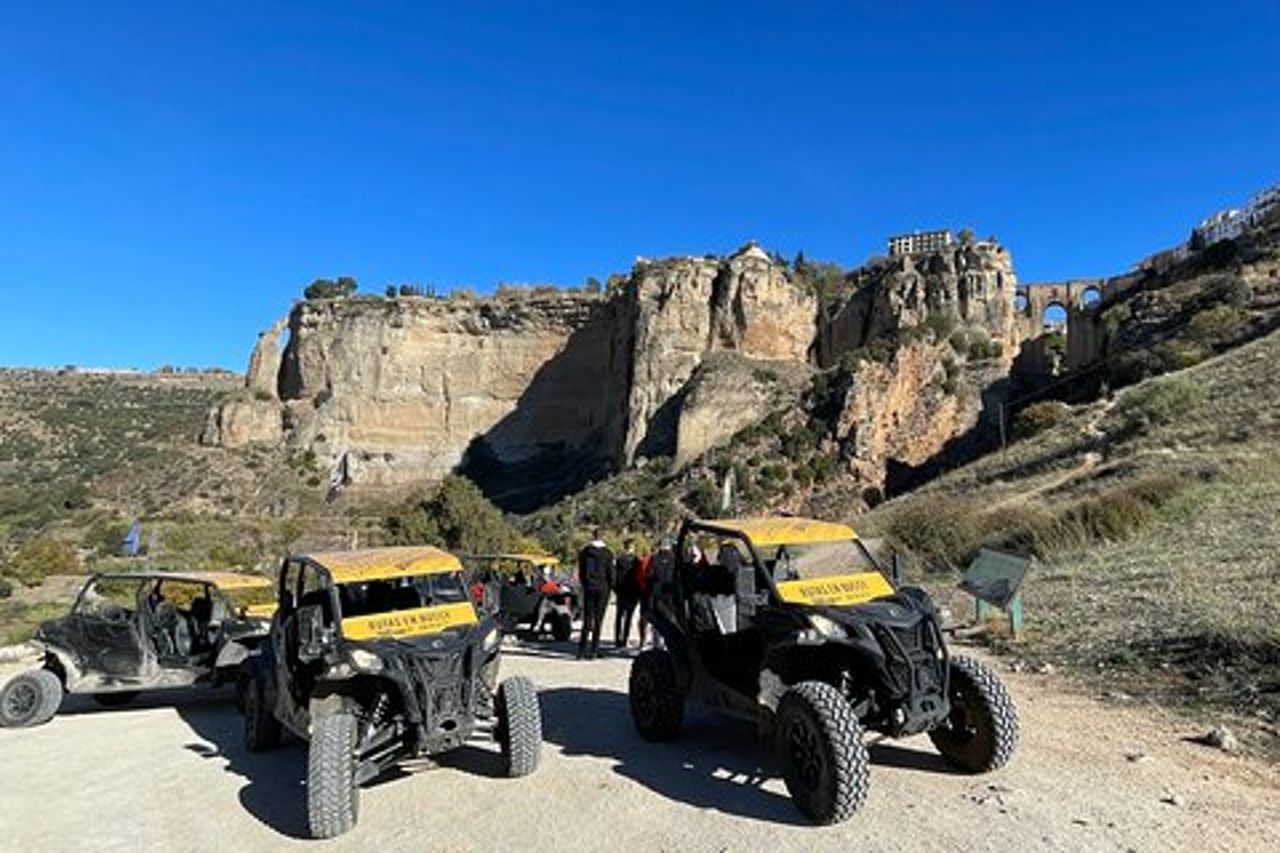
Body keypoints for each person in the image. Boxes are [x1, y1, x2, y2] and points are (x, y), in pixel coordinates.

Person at [577, 530, 614, 660]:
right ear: (603, 537)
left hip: (589, 587)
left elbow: (581, 572)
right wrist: (610, 587)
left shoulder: (584, 552)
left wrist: (585, 584)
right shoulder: (608, 553)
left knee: (587, 620)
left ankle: (581, 651)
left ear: (592, 536)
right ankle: (594, 650)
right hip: (602, 588)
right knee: (599, 620)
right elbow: (610, 573)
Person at [613, 540, 641, 648]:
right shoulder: (636, 561)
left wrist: (615, 589)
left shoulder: (619, 559)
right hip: (633, 591)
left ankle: (617, 640)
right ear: (632, 547)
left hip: (621, 591)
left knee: (619, 616)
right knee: (629, 617)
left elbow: (614, 575)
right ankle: (624, 639)